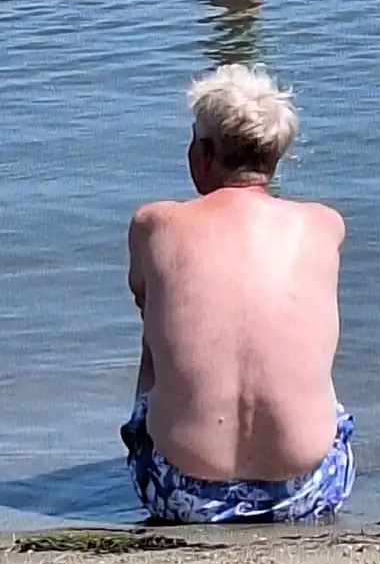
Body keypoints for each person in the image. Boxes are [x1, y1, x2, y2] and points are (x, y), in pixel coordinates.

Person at [122, 64, 354, 523]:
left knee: (157, 327)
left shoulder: (154, 226)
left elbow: (145, 305)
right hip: (308, 488)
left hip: (180, 493)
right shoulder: (324, 226)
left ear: (202, 154)